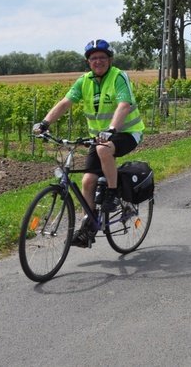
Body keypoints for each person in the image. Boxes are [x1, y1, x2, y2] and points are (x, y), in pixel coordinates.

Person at [32, 39, 144, 248]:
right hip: (99, 137)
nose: (98, 61)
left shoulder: (118, 76)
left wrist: (111, 129)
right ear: (88, 62)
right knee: (87, 182)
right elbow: (65, 103)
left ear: (110, 59)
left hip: (127, 132)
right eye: (93, 58)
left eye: (102, 57)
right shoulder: (84, 81)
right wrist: (45, 123)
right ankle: (88, 230)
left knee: (103, 150)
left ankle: (112, 192)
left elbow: (124, 105)